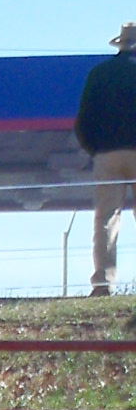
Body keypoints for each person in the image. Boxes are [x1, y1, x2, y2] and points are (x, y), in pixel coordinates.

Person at [77, 23, 136, 295]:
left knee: (106, 218)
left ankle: (103, 281)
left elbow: (84, 122)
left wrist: (95, 150)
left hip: (108, 155)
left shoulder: (99, 74)